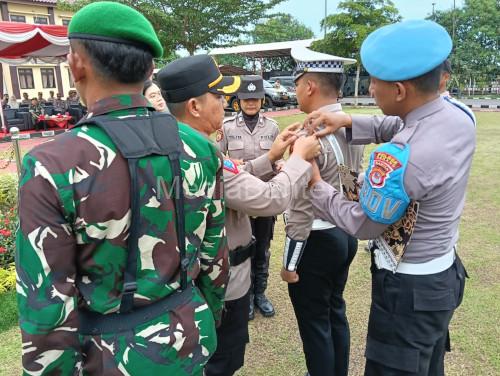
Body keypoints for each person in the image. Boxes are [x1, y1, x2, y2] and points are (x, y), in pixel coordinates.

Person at [15, 3, 229, 375]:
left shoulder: (52, 165)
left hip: (110, 358)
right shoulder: (199, 148)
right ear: (149, 69)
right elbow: (214, 262)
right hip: (190, 340)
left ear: (76, 64)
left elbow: (46, 305)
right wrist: (199, 319)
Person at [306, 20, 472, 375]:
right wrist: (348, 121)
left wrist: (315, 184)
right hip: (441, 277)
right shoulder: (458, 114)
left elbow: (363, 224)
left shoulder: (400, 158)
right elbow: (401, 124)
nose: (370, 87)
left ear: (398, 90)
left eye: (375, 81)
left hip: (407, 292)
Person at [158, 54, 321, 376]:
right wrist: (299, 160)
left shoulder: (170, 147)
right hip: (222, 284)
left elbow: (231, 175)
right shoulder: (204, 156)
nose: (226, 103)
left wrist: (270, 157)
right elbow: (270, 199)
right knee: (222, 362)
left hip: (180, 284)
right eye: (219, 96)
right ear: (195, 106)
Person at [279, 46, 364, 376]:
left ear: (310, 86)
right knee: (334, 312)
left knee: (315, 326)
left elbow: (300, 208)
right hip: (345, 233)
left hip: (315, 240)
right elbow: (352, 180)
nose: (294, 90)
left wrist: (288, 263)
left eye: (297, 83)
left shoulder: (309, 134)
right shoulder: (350, 125)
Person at [218, 75, 280, 319]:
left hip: (264, 200)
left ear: (262, 99)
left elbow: (275, 160)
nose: (251, 103)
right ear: (239, 101)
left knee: (263, 248)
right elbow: (219, 160)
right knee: (241, 249)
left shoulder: (272, 127)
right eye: (246, 99)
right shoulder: (227, 127)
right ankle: (246, 297)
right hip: (239, 203)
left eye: (255, 98)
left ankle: (260, 294)